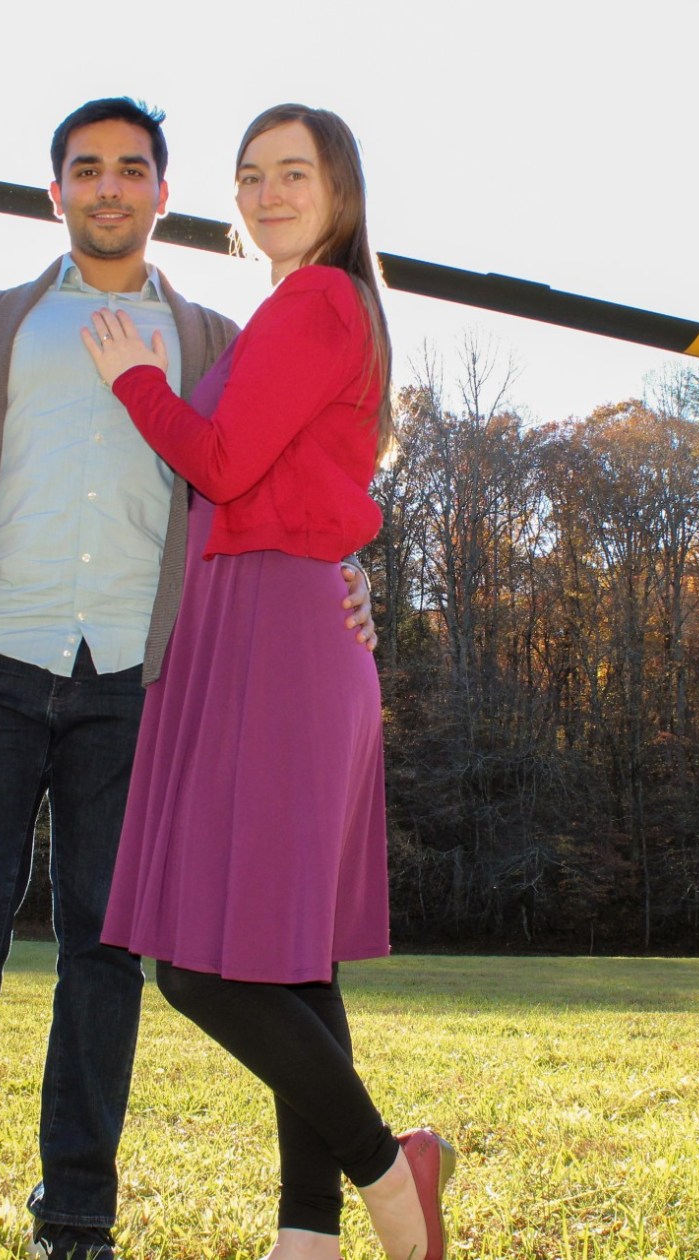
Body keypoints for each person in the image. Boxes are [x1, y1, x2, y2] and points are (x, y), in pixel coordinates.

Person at [0, 98, 377, 1260]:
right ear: (56, 193)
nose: (108, 186)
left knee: (108, 954)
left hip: (146, 687)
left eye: (132, 169)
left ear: (162, 194)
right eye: (85, 169)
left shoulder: (213, 339)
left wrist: (351, 581)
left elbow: (291, 474)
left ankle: (80, 1219)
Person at [82, 104, 455, 1260]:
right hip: (269, 618)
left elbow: (227, 462)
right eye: (251, 176)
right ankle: (309, 1238)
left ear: (340, 191)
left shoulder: (319, 300)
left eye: (295, 172)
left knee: (197, 966)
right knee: (290, 955)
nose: (269, 192)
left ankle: (396, 1177)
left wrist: (139, 384)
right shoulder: (308, 310)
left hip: (278, 630)